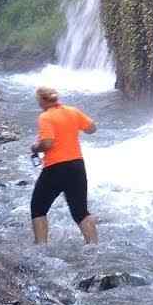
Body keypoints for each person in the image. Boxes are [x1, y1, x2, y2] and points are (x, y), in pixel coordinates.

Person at [29, 86, 98, 245]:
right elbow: (92, 129)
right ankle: (94, 247)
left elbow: (47, 143)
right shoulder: (73, 111)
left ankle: (41, 248)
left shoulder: (45, 117)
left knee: (38, 207)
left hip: (56, 167)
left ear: (42, 100)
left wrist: (35, 147)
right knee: (80, 211)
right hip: (77, 166)